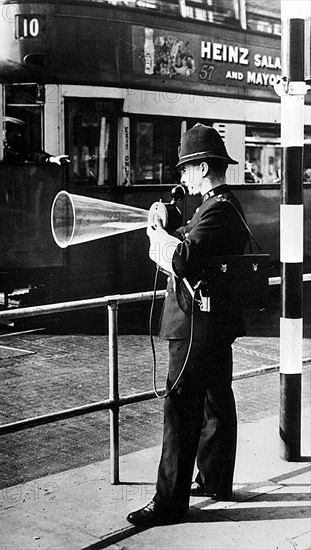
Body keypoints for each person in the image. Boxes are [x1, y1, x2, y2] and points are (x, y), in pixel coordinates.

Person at [127, 123, 249, 527]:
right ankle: (215, 479)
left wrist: (157, 236)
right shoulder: (219, 207)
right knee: (216, 399)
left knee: (180, 409)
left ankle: (168, 505)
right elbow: (192, 237)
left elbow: (184, 257)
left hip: (195, 328)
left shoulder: (218, 210)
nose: (181, 179)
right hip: (211, 327)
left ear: (200, 168)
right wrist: (169, 225)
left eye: (184, 170)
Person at [3, 117, 69, 165]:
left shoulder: (19, 145)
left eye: (8, 132)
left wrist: (51, 159)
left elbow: (34, 154)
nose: (4, 135)